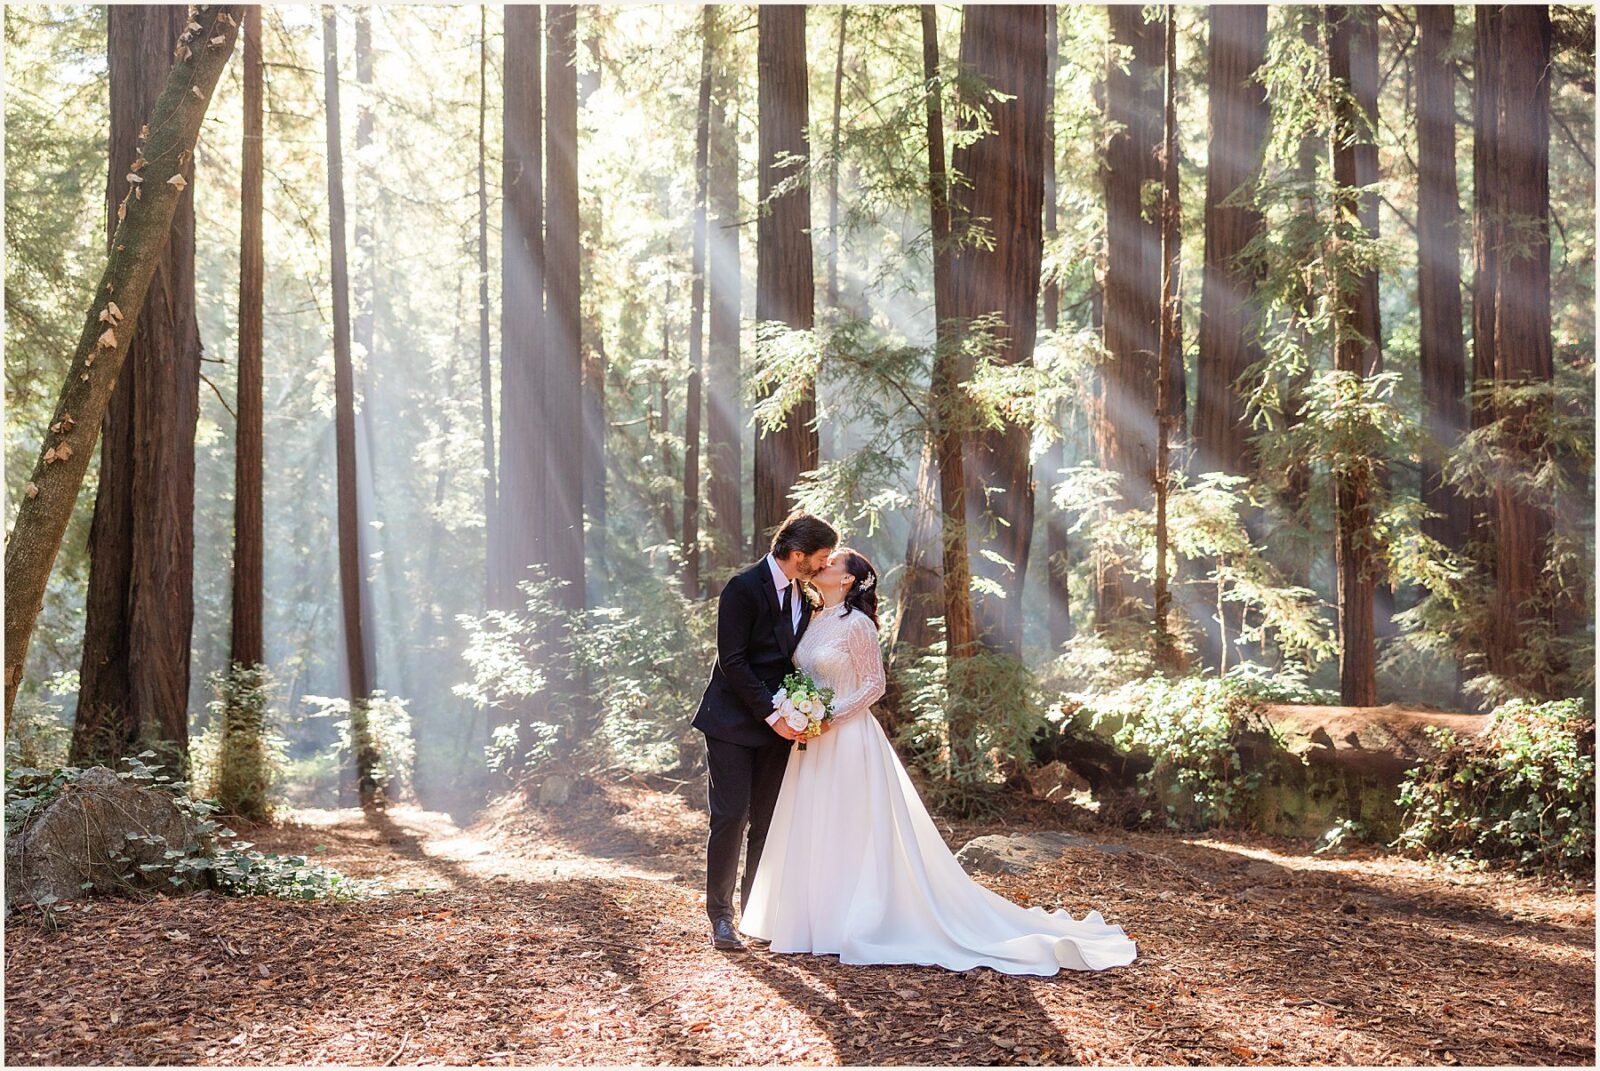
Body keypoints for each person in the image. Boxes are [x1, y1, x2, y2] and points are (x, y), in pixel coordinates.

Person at [740, 547, 1139, 974]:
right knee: (815, 821)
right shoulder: (813, 619)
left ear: (849, 580)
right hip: (812, 740)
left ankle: (849, 920)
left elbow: (874, 685)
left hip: (847, 737)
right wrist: (800, 711)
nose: (822, 566)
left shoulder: (857, 626)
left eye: (832, 563)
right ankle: (808, 920)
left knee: (849, 826)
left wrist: (829, 716)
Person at [691, 512, 838, 952]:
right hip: (733, 722)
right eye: (821, 557)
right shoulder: (741, 588)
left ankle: (755, 910)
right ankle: (720, 917)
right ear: (798, 555)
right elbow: (732, 661)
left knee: (767, 822)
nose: (824, 565)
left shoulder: (805, 595)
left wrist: (801, 712)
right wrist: (772, 713)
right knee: (731, 816)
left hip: (781, 727)